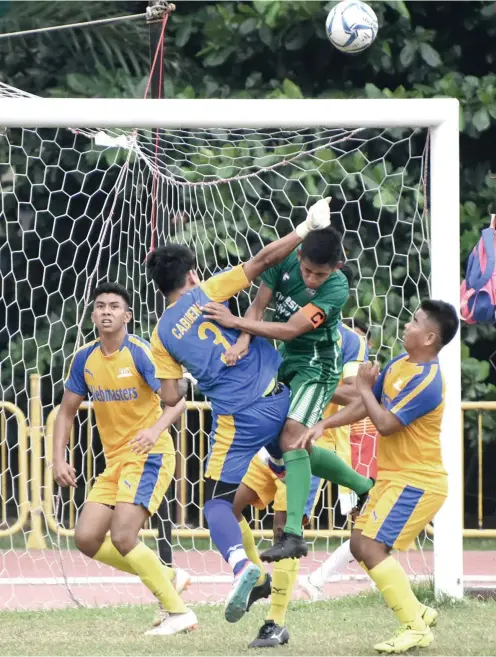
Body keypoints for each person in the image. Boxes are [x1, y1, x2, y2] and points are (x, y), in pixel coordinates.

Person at [146, 198, 331, 624]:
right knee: (293, 453)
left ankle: (243, 567)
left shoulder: (159, 337)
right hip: (279, 397)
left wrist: (191, 371)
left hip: (238, 418)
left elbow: (171, 398)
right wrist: (304, 228)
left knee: (216, 503)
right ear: (192, 275)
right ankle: (350, 488)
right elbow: (262, 260)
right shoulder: (208, 291)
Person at [202, 231, 374, 563]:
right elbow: (258, 305)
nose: (312, 280)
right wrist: (241, 341)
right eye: (308, 271)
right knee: (289, 445)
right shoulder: (281, 263)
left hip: (316, 368)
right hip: (282, 361)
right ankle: (363, 486)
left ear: (336, 268)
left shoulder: (336, 288)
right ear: (298, 258)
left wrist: (233, 321)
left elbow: (292, 329)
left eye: (320, 275)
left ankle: (293, 535)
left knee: (293, 440)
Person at [298, 299, 459, 653]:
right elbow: (361, 400)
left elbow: (384, 423)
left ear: (431, 337)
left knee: (371, 548)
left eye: (415, 322)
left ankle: (413, 628)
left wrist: (367, 389)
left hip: (419, 480)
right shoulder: (400, 364)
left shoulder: (428, 381)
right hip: (393, 478)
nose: (406, 326)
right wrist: (323, 418)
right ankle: (418, 611)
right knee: (358, 544)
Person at [52, 282, 196, 637]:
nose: (106, 311)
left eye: (114, 306)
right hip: (115, 462)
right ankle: (169, 578)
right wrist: (58, 459)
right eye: (100, 306)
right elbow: (66, 412)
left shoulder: (140, 353)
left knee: (123, 536)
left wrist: (155, 430)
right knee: (86, 538)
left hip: (150, 456)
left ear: (127, 315)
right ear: (92, 315)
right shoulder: (85, 357)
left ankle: (179, 613)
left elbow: (175, 399)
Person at [230, 319, 370, 648]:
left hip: (311, 447)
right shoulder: (292, 327)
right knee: (228, 505)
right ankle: (259, 577)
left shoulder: (351, 341)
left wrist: (311, 380)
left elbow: (354, 394)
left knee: (285, 531)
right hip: (273, 443)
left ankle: (275, 623)